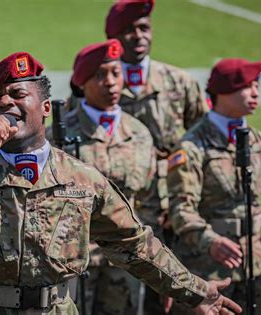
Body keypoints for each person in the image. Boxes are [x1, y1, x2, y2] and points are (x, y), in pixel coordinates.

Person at [0, 51, 242, 315]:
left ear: (45, 107)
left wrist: (194, 291)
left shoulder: (82, 178)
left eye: (18, 94)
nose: (7, 103)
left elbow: (135, 246)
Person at [105, 1, 210, 311]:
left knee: (173, 302)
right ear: (114, 37)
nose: (138, 36)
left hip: (172, 213)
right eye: (128, 30)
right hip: (119, 214)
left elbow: (201, 144)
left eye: (144, 28)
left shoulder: (179, 82)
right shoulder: (99, 84)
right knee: (117, 300)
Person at [49, 39, 156, 314]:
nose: (110, 82)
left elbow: (152, 202)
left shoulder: (140, 134)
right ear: (82, 83)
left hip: (126, 259)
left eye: (116, 73)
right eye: (100, 75)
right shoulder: (58, 137)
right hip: (74, 260)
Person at [167, 58, 261, 315]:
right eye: (247, 86)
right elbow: (180, 210)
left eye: (256, 86)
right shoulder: (191, 148)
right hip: (208, 272)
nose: (255, 92)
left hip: (255, 267)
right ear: (222, 92)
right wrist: (211, 240)